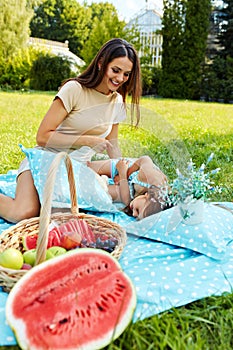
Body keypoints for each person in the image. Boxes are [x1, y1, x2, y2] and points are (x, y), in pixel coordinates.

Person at [0, 38, 142, 223]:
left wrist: (120, 172)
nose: (120, 79)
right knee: (24, 213)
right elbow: (43, 137)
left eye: (126, 74)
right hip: (44, 161)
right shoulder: (74, 89)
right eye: (116, 70)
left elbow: (112, 145)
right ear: (101, 64)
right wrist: (86, 140)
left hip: (76, 171)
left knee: (66, 219)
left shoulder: (116, 102)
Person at [87, 156, 168, 220]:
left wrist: (123, 178)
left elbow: (126, 200)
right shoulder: (149, 176)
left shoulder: (145, 205)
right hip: (126, 169)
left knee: (99, 191)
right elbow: (145, 159)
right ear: (148, 196)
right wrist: (123, 173)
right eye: (137, 210)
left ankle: (102, 181)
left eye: (136, 216)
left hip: (127, 186)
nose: (133, 214)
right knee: (89, 167)